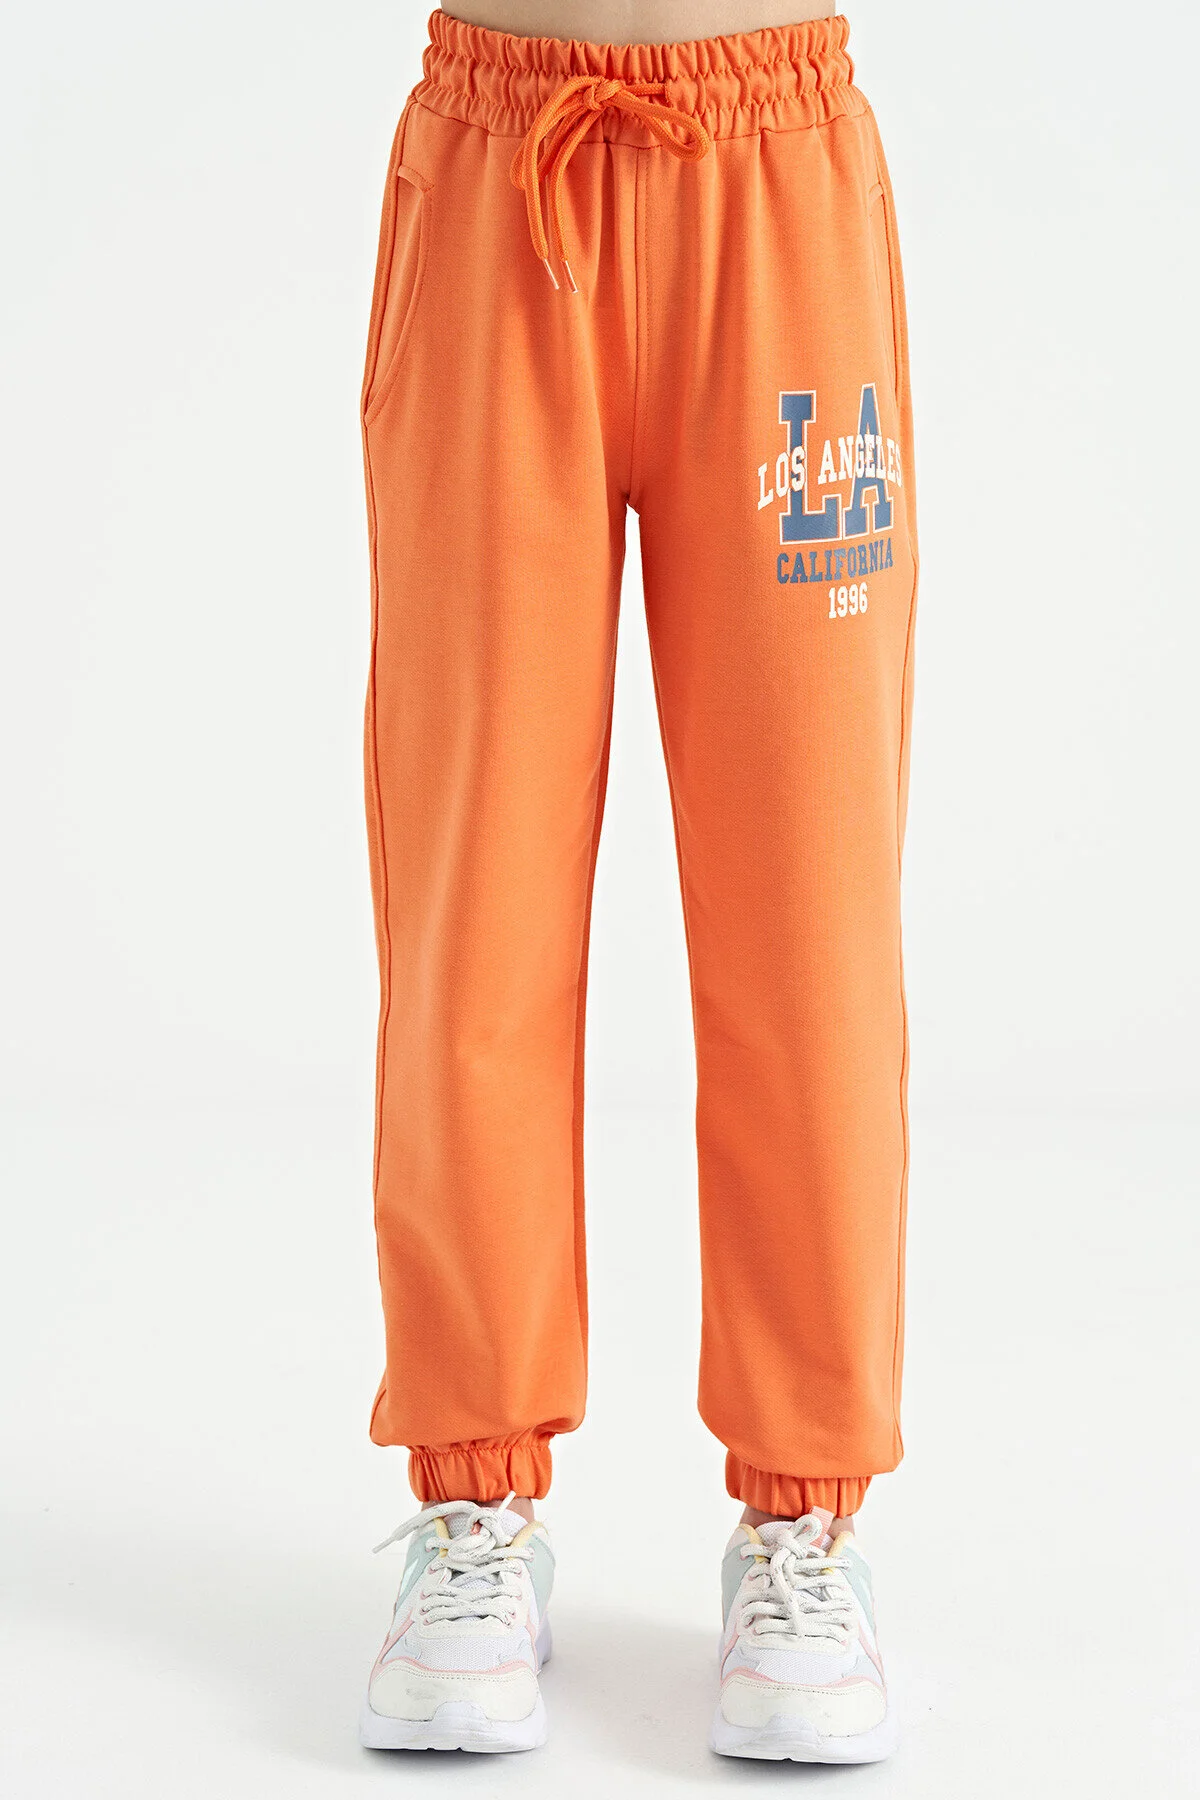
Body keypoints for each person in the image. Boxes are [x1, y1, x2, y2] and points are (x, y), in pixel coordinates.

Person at [357, 0, 916, 1763]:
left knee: (809, 902)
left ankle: (804, 1519)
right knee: (475, 888)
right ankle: (475, 1502)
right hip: (496, 170)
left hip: (779, 174)